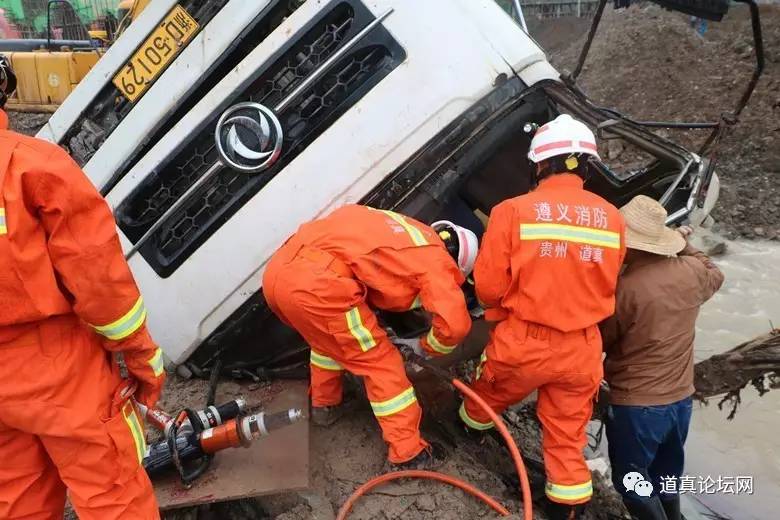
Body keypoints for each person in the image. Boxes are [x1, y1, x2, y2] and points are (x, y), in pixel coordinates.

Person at [0, 56, 163, 519]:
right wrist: (140, 356)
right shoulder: (32, 166)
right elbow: (100, 284)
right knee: (112, 492)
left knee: (15, 500)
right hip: (58, 371)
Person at [459, 114, 626, 520]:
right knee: (567, 437)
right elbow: (609, 279)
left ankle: (469, 440)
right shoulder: (613, 218)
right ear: (587, 165)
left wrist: (500, 312)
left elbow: (488, 288)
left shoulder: (513, 211)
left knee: (483, 398)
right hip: (584, 348)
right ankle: (566, 509)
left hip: (526, 342)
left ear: (539, 164)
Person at [263, 204, 476, 468]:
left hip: (278, 274)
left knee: (328, 342)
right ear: (459, 264)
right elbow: (455, 326)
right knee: (382, 364)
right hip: (318, 286)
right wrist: (426, 346)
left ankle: (325, 404)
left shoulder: (407, 232)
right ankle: (408, 453)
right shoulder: (437, 261)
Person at [601, 195, 724, 520]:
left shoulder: (625, 290)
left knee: (631, 482)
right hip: (681, 400)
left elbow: (601, 340)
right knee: (666, 478)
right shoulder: (693, 271)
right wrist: (683, 245)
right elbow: (715, 271)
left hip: (636, 404)